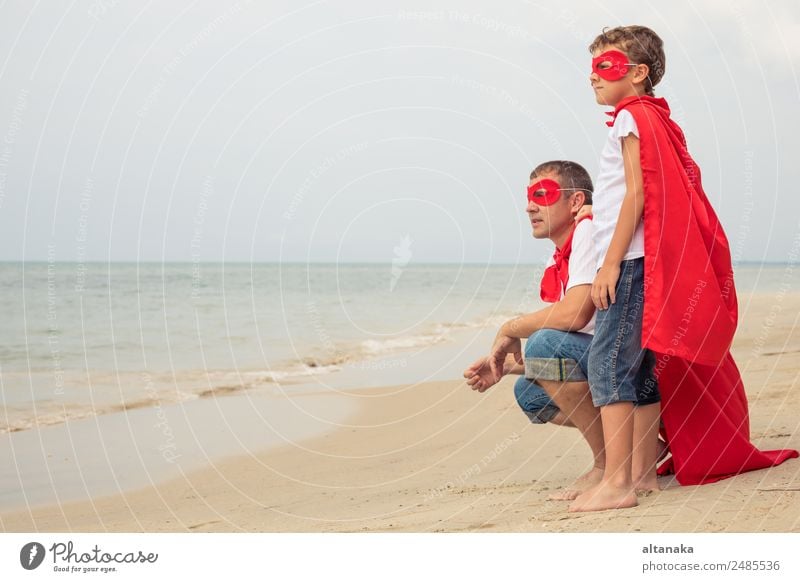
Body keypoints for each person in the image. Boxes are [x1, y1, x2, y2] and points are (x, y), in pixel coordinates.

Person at [571, 25, 798, 512]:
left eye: (604, 66)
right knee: (642, 367)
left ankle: (616, 483)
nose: (593, 76)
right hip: (640, 260)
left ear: (638, 74)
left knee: (607, 365)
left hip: (628, 262)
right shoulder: (645, 116)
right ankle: (640, 476)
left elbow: (638, 192)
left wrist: (607, 263)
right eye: (591, 66)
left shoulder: (632, 117)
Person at [463, 160, 605, 500]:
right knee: (531, 394)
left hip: (636, 362)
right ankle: (643, 445)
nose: (529, 206)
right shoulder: (559, 256)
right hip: (604, 359)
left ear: (575, 202)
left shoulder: (588, 229)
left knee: (543, 341)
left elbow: (574, 315)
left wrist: (510, 327)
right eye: (529, 196)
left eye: (542, 194)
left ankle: (609, 463)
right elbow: (579, 340)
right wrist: (507, 367)